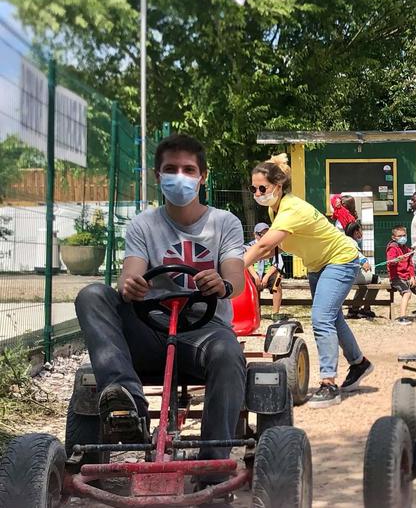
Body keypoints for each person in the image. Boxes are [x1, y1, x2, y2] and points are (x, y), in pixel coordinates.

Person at [74, 134, 246, 488]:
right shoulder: (143, 224)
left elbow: (235, 276)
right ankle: (126, 404)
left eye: (189, 169)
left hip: (204, 333)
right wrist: (131, 286)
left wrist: (222, 285)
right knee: (92, 295)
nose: (180, 177)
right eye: (171, 169)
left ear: (202, 176)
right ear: (158, 176)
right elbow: (131, 272)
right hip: (150, 329)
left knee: (229, 353)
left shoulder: (224, 222)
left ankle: (213, 467)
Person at [244, 155, 373, 408]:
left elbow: (264, 245)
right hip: (317, 264)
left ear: (278, 186)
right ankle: (359, 363)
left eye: (262, 188)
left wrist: (236, 266)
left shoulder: (291, 209)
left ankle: (328, 383)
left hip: (340, 259)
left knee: (322, 318)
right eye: (253, 189)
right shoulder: (275, 208)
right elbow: (275, 247)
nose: (257, 194)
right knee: (332, 317)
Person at [386, 225, 416, 325]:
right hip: (396, 278)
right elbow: (390, 262)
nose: (402, 238)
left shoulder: (407, 249)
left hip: (408, 277)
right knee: (407, 293)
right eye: (399, 236)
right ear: (394, 237)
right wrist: (396, 260)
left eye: (404, 235)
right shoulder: (392, 248)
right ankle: (402, 317)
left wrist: (412, 276)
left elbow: (410, 265)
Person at [246, 222, 284, 320]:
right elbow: (247, 263)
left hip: (269, 273)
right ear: (255, 234)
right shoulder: (249, 246)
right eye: (261, 234)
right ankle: (255, 313)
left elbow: (277, 264)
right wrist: (256, 276)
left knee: (277, 283)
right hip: (254, 273)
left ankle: (275, 313)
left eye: (266, 234)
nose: (263, 236)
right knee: (252, 285)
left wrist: (266, 277)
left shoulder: (274, 246)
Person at [345, 221, 378, 319]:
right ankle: (366, 309)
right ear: (356, 232)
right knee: (376, 279)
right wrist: (364, 262)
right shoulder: (351, 242)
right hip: (351, 275)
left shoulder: (343, 240)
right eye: (361, 230)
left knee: (363, 283)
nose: (362, 233)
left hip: (346, 273)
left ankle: (354, 310)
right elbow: (357, 255)